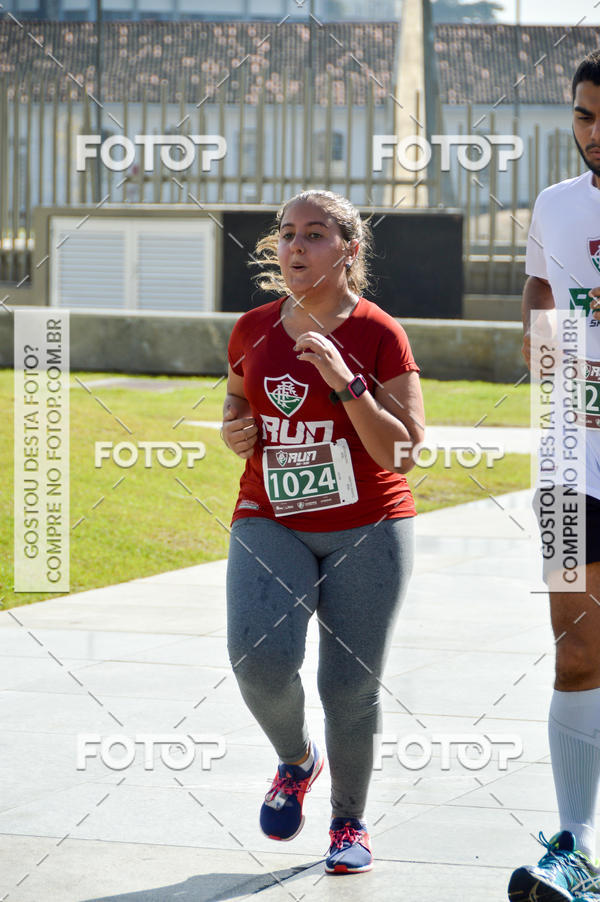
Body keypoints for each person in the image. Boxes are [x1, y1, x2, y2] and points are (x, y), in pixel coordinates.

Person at [221, 189, 424, 874]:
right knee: (258, 658)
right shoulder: (251, 327)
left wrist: (346, 382)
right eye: (286, 235)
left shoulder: (378, 333)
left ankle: (348, 822)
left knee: (349, 687)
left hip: (368, 523)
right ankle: (294, 760)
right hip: (269, 515)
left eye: (314, 235)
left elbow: (403, 450)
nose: (295, 247)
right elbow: (235, 396)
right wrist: (232, 427)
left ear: (349, 248)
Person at [508, 50, 600, 902]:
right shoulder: (556, 204)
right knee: (577, 652)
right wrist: (549, 354)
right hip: (573, 468)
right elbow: (539, 293)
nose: (594, 135)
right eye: (583, 116)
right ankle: (573, 849)